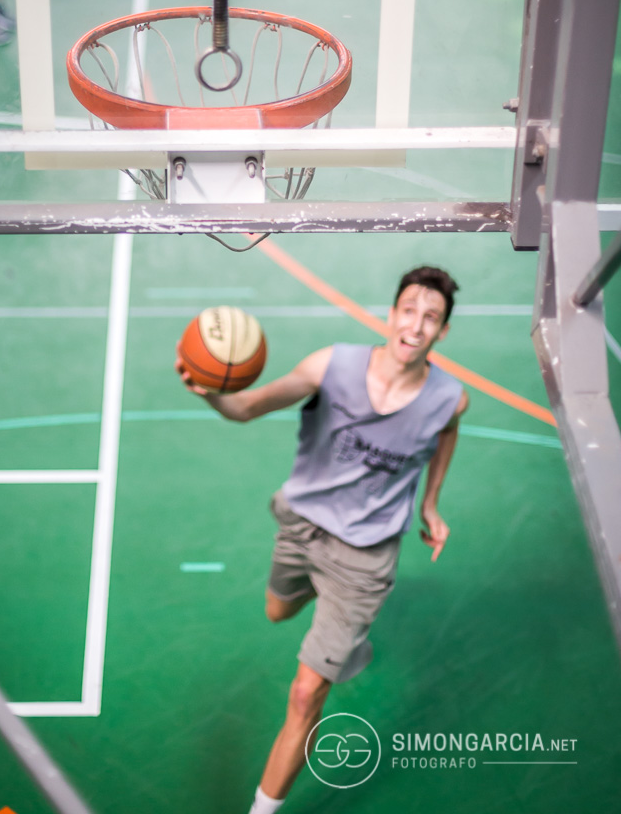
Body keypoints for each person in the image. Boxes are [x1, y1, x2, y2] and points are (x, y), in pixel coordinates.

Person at [176, 265, 469, 814]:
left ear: (442, 331)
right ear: (391, 314)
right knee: (278, 612)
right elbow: (247, 407)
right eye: (409, 310)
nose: (416, 325)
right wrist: (209, 391)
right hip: (304, 525)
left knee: (306, 692)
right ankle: (344, 634)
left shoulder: (449, 399)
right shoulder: (330, 366)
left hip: (365, 558)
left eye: (430, 317)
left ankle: (263, 808)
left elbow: (447, 430)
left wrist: (430, 503)